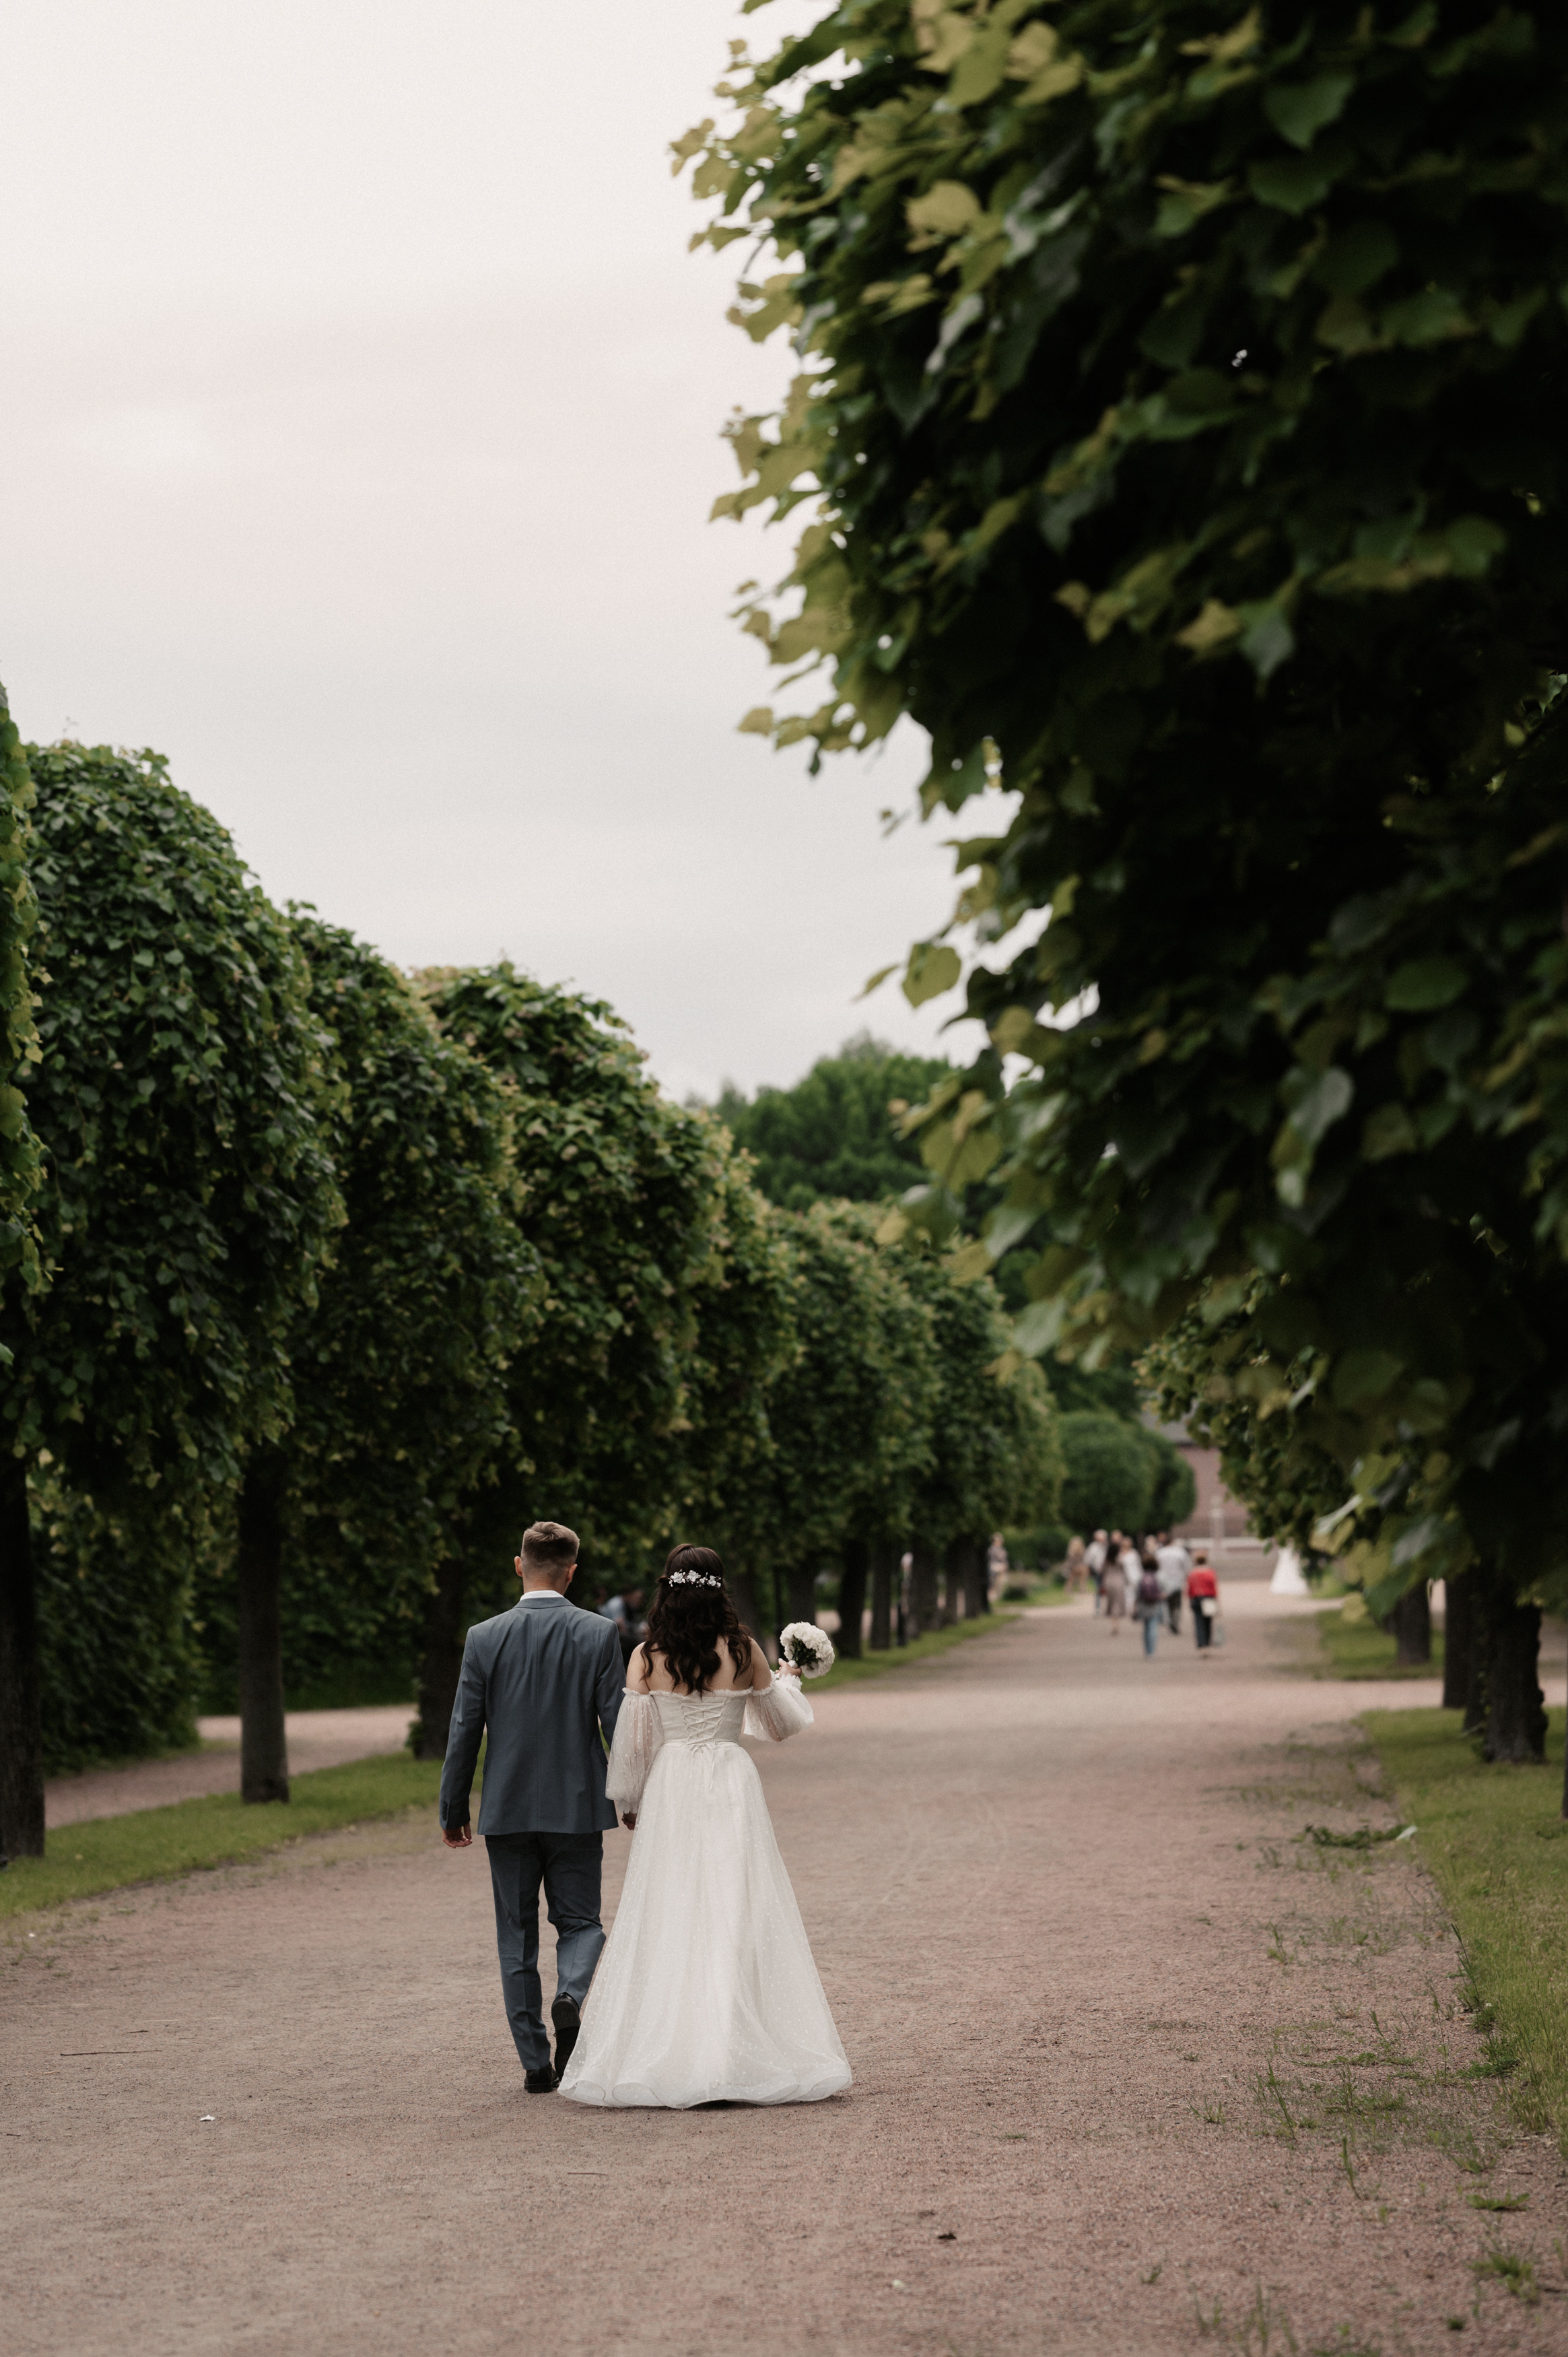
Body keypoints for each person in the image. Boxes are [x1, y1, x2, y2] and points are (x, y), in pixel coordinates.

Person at [558, 1543, 852, 2109]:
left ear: (668, 1586)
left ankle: (677, 2042)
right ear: (721, 1589)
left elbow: (636, 1742)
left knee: (674, 1906)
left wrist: (631, 1799)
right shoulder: (743, 1651)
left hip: (673, 1784)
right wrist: (789, 1679)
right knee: (734, 1903)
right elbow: (779, 1724)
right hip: (728, 1780)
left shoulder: (646, 1655)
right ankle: (731, 2043)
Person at [439, 1520, 625, 2093]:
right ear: (572, 1572)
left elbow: (465, 1727)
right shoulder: (599, 1633)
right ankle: (571, 1993)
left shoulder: (483, 1636)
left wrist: (453, 1806)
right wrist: (634, 1795)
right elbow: (617, 1723)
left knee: (515, 1934)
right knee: (581, 1922)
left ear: (519, 1565)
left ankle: (534, 2064)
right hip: (577, 1806)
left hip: (508, 1807)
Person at [599, 1583, 647, 1667]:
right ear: (628, 1595)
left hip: (616, 1629)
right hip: (610, 1631)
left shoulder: (624, 1604)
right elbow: (620, 1624)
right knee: (633, 1640)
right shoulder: (616, 1604)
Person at [1155, 1528, 1189, 1636]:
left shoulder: (1160, 1553)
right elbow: (1187, 1567)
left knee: (1167, 1604)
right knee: (1177, 1604)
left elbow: (1156, 1568)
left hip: (1164, 1582)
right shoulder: (1180, 1552)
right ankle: (1176, 1621)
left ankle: (1170, 1621)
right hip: (1177, 1581)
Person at [1188, 1548, 1221, 1652]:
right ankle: (1206, 1643)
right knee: (1208, 1623)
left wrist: (1190, 1599)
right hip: (1209, 1598)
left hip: (1197, 1598)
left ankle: (1202, 1645)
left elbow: (1190, 1589)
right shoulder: (1210, 1572)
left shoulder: (1193, 1573)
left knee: (1199, 1623)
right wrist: (1218, 1602)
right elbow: (1214, 1589)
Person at [1132, 1555, 1164, 1657]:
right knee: (1153, 1627)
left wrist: (1134, 1607)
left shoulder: (1141, 1577)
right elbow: (1164, 1591)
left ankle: (1147, 1651)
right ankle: (1152, 1652)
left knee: (1146, 1628)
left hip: (1143, 1605)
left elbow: (1136, 1594)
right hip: (1155, 1605)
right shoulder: (1159, 1577)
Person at [1101, 1535, 1129, 1632]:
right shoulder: (1120, 1560)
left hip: (1108, 1582)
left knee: (1111, 1602)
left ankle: (1112, 1624)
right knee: (1118, 1603)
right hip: (1119, 1582)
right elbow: (1125, 1572)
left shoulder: (1106, 1561)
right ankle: (1117, 1623)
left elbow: (1101, 1571)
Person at [1085, 1529, 1108, 1612]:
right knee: (1098, 1589)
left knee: (1108, 1589)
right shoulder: (1093, 1547)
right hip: (1096, 1572)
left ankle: (1107, 1607)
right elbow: (1088, 1560)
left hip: (1107, 1572)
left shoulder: (1107, 1547)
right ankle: (1098, 1608)